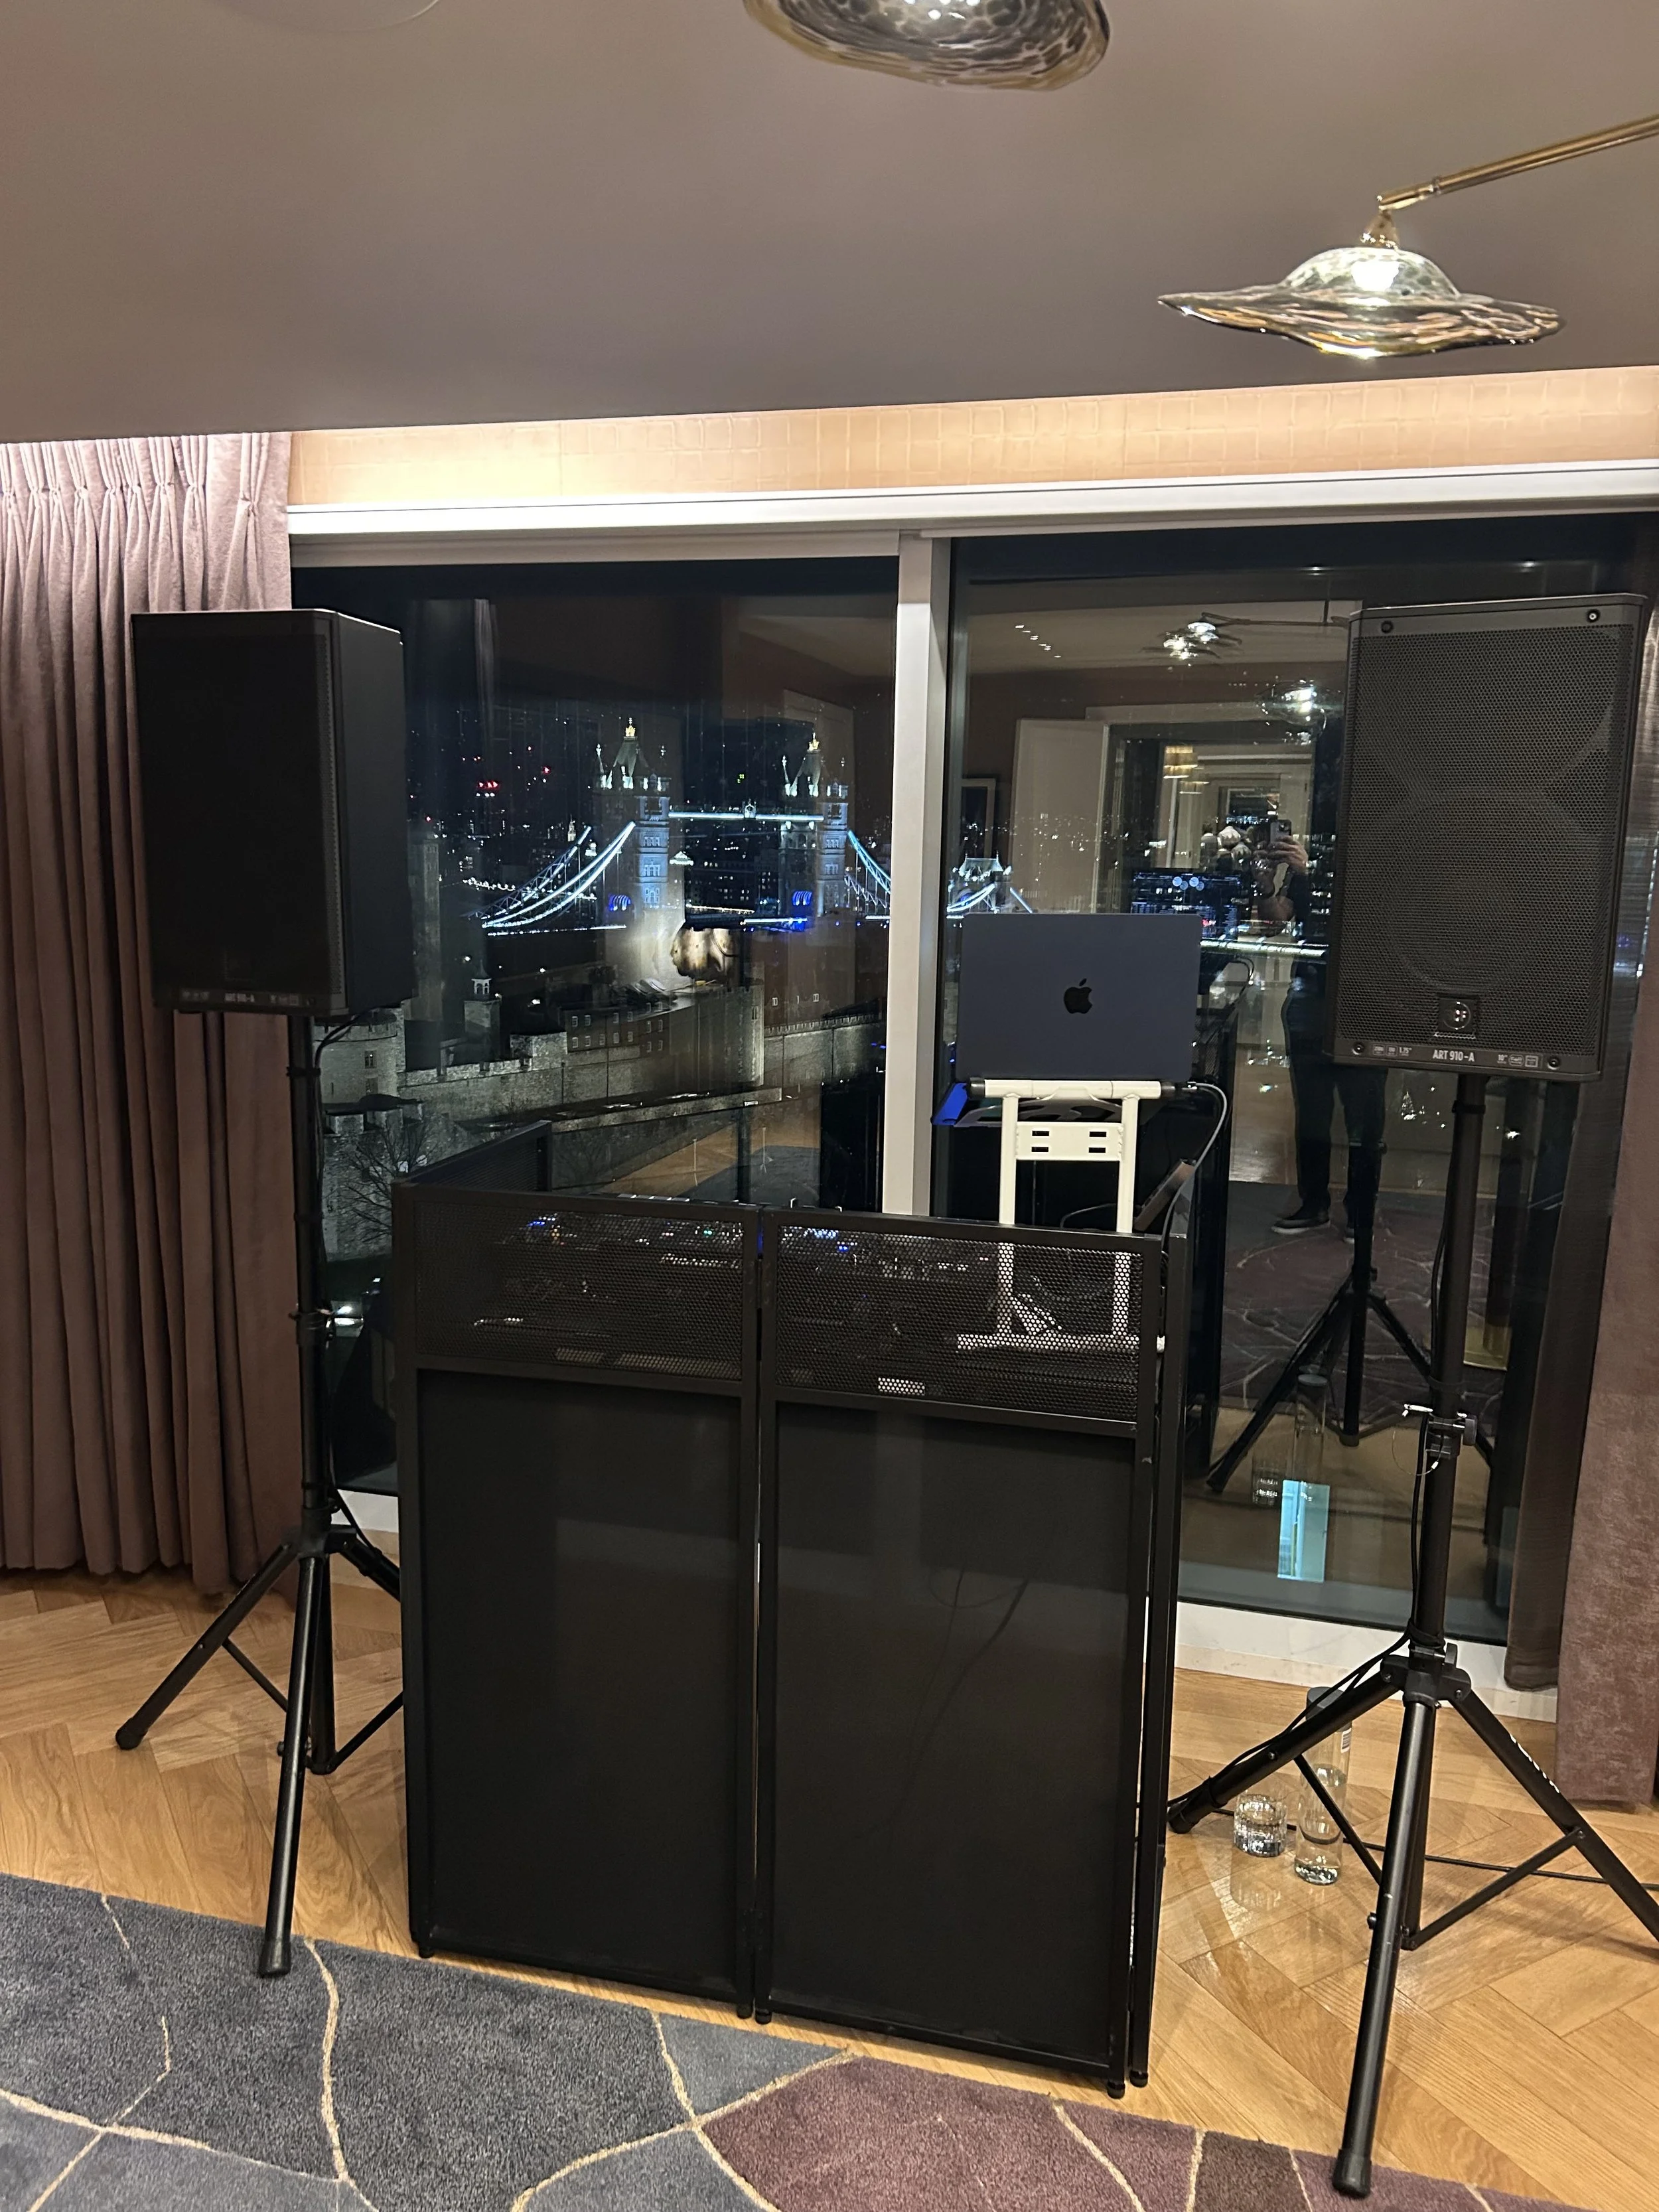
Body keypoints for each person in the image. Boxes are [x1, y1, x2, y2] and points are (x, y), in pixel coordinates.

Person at [1258, 824, 1388, 1237]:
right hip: (1311, 999)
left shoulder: (1380, 863)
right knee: (1312, 1113)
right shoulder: (1308, 867)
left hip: (1366, 1003)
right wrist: (1265, 885)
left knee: (1365, 1118)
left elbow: (1365, 919)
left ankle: (1360, 1210)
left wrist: (1312, 872)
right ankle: (1314, 1202)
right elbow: (1276, 921)